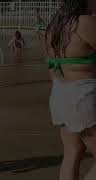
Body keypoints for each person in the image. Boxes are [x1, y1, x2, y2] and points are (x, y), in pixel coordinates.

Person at [46, 1, 96, 179]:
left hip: (60, 94)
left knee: (71, 155)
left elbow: (51, 68)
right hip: (83, 96)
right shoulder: (84, 22)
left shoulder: (54, 26)